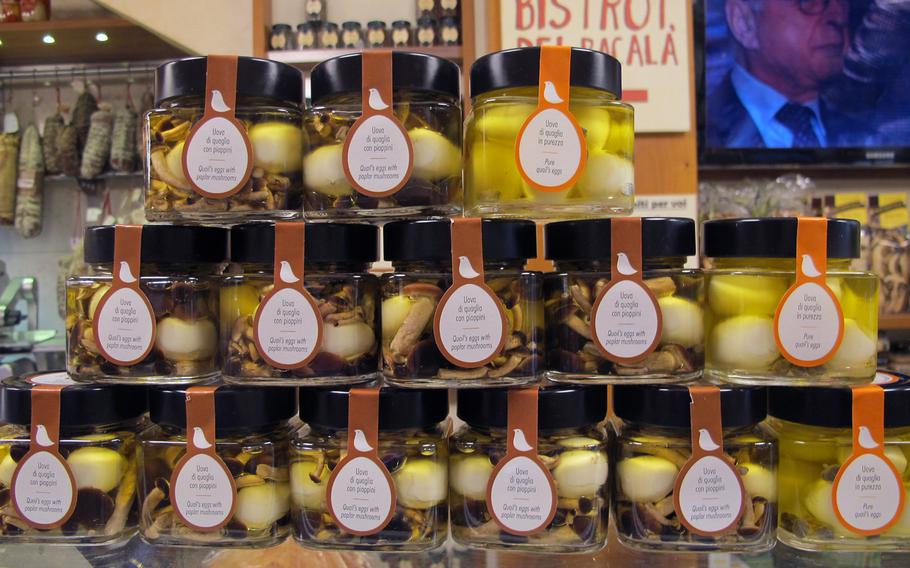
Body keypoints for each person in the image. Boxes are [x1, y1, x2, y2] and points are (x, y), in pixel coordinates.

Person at [708, 0, 871, 148]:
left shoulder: (874, 135)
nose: (839, 16)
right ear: (744, 22)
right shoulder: (703, 130)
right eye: (810, 2)